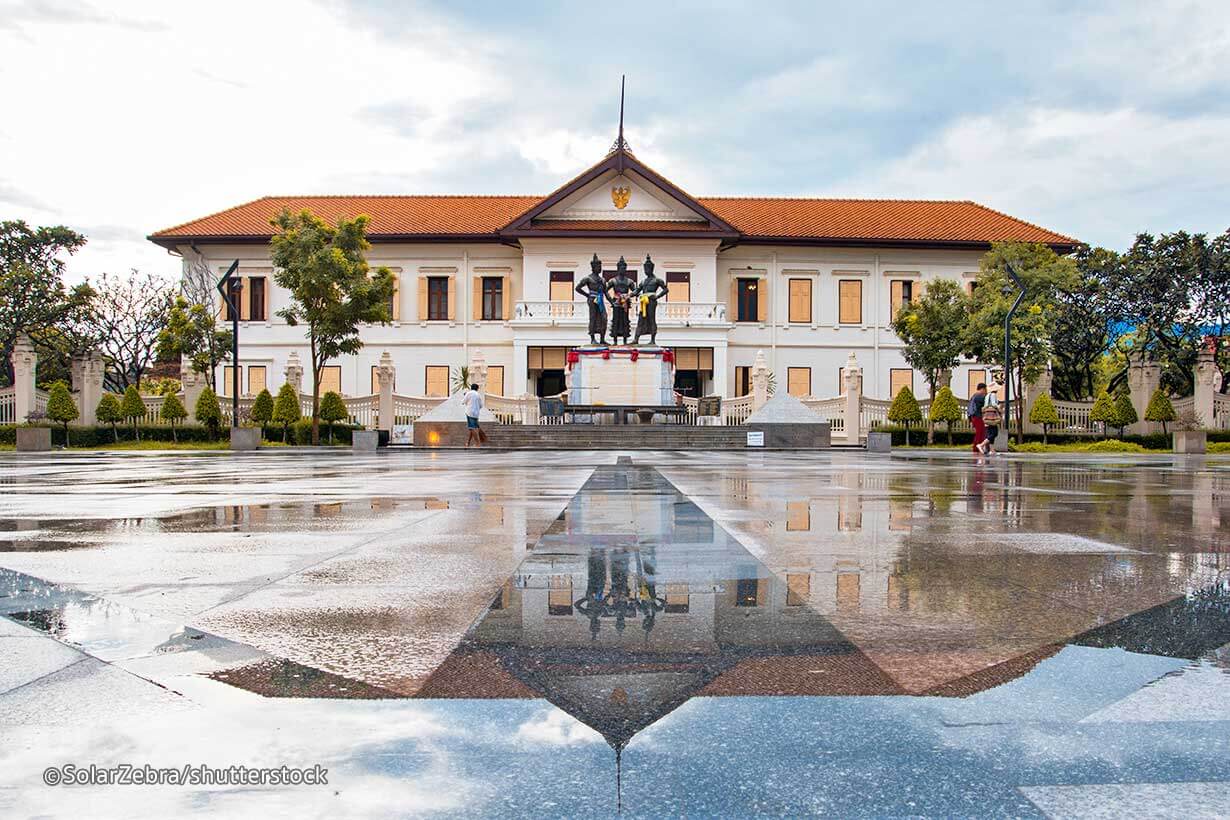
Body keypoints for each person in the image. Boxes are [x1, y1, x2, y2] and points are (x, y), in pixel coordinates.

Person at [463, 383, 485, 448]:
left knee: (472, 428)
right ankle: (468, 443)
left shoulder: (469, 393)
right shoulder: (478, 395)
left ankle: (478, 443)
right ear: (477, 388)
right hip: (476, 414)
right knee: (472, 428)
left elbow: (463, 401)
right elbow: (481, 405)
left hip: (469, 413)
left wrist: (465, 396)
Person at [968, 382, 988, 453]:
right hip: (978, 416)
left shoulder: (974, 396)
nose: (986, 391)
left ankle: (976, 448)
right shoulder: (979, 396)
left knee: (979, 432)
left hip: (973, 417)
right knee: (980, 433)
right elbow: (985, 403)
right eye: (985, 389)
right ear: (982, 389)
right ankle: (977, 448)